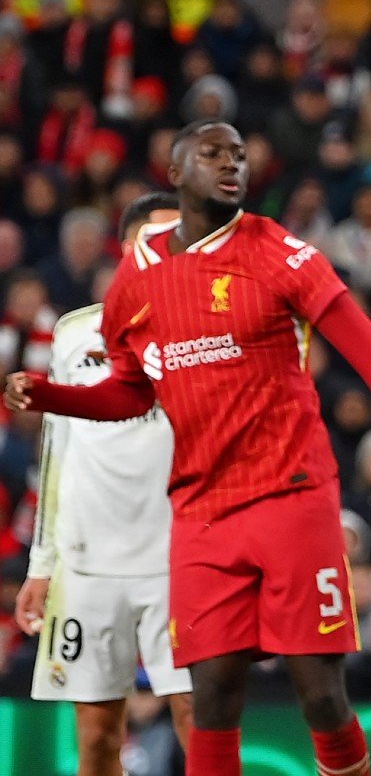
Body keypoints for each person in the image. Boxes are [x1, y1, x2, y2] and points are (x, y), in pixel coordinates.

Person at [4, 119, 371, 776]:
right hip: (202, 514)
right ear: (174, 172)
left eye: (238, 153)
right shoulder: (134, 285)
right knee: (211, 695)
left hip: (291, 496)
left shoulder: (280, 251)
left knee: (319, 690)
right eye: (212, 153)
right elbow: (129, 392)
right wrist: (52, 394)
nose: (232, 163)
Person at [13, 193, 192, 776]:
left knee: (199, 722)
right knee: (95, 740)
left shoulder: (212, 333)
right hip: (87, 564)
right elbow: (56, 450)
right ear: (127, 248)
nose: (167, 251)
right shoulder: (73, 333)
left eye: (179, 238)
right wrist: (42, 565)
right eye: (155, 238)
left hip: (181, 559)